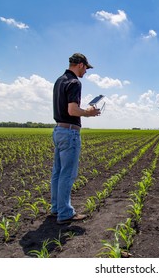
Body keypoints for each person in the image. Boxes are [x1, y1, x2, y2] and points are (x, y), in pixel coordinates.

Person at [50, 53, 100, 224]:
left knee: (57, 172)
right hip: (69, 132)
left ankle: (56, 208)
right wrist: (89, 113)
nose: (86, 71)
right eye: (86, 68)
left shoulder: (59, 81)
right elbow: (72, 110)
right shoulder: (74, 82)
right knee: (67, 174)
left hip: (58, 130)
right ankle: (65, 213)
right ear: (80, 65)